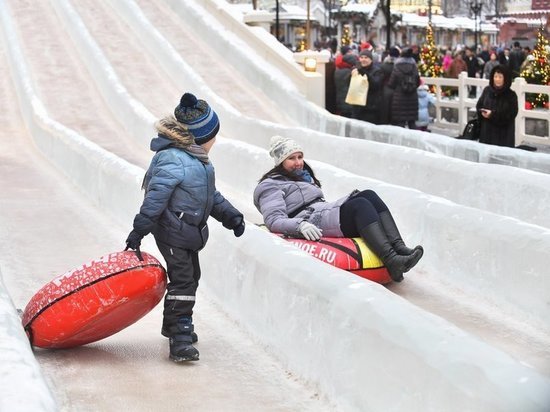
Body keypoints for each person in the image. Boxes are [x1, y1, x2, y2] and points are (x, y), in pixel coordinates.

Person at [125, 93, 245, 362]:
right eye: (214, 136)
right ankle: (180, 337)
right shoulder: (173, 159)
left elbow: (209, 195)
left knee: (192, 278)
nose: (216, 141)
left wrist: (231, 216)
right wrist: (139, 230)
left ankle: (172, 324)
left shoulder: (199, 160)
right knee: (183, 281)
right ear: (201, 136)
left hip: (189, 230)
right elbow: (155, 198)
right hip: (171, 229)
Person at [253, 136, 423, 283]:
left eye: (300, 157)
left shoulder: (302, 177)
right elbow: (274, 220)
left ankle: (399, 248)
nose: (298, 163)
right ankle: (391, 260)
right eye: (291, 158)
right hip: (311, 221)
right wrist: (300, 225)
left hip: (321, 211)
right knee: (360, 206)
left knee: (369, 195)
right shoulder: (269, 185)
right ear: (280, 162)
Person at [476, 65, 518, 147]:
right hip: (486, 135)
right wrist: (482, 112)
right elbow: (479, 105)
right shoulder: (487, 91)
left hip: (503, 137)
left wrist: (493, 115)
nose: (497, 79)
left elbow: (511, 114)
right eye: (495, 76)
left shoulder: (511, 95)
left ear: (505, 78)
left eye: (500, 77)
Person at [387, 47, 420, 129]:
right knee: (412, 123)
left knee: (400, 124)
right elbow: (418, 82)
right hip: (412, 98)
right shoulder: (414, 68)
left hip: (399, 98)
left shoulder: (397, 67)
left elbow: (391, 83)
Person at [350, 49, 384, 124]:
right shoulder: (356, 69)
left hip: (370, 108)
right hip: (357, 106)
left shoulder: (377, 71)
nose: (363, 60)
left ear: (371, 60)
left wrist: (364, 73)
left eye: (366, 58)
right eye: (361, 57)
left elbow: (375, 85)